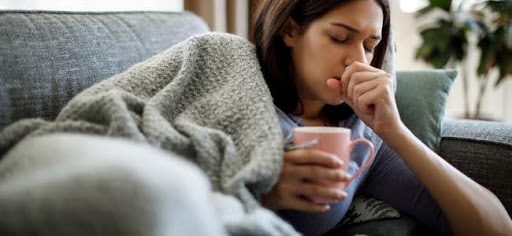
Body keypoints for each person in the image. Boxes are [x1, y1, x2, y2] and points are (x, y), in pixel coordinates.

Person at [251, 0, 512, 235]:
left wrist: (395, 131)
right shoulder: (241, 98)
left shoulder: (363, 140)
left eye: (370, 46)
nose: (359, 61)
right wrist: (258, 191)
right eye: (339, 38)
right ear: (289, 30)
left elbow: (497, 229)